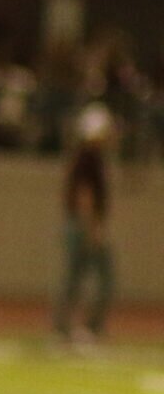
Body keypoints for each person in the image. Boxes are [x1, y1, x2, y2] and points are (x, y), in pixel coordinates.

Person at [53, 105, 116, 348]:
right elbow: (85, 195)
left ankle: (64, 328)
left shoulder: (83, 156)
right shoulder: (89, 158)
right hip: (84, 225)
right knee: (101, 278)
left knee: (74, 278)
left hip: (78, 224)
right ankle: (88, 328)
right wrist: (92, 227)